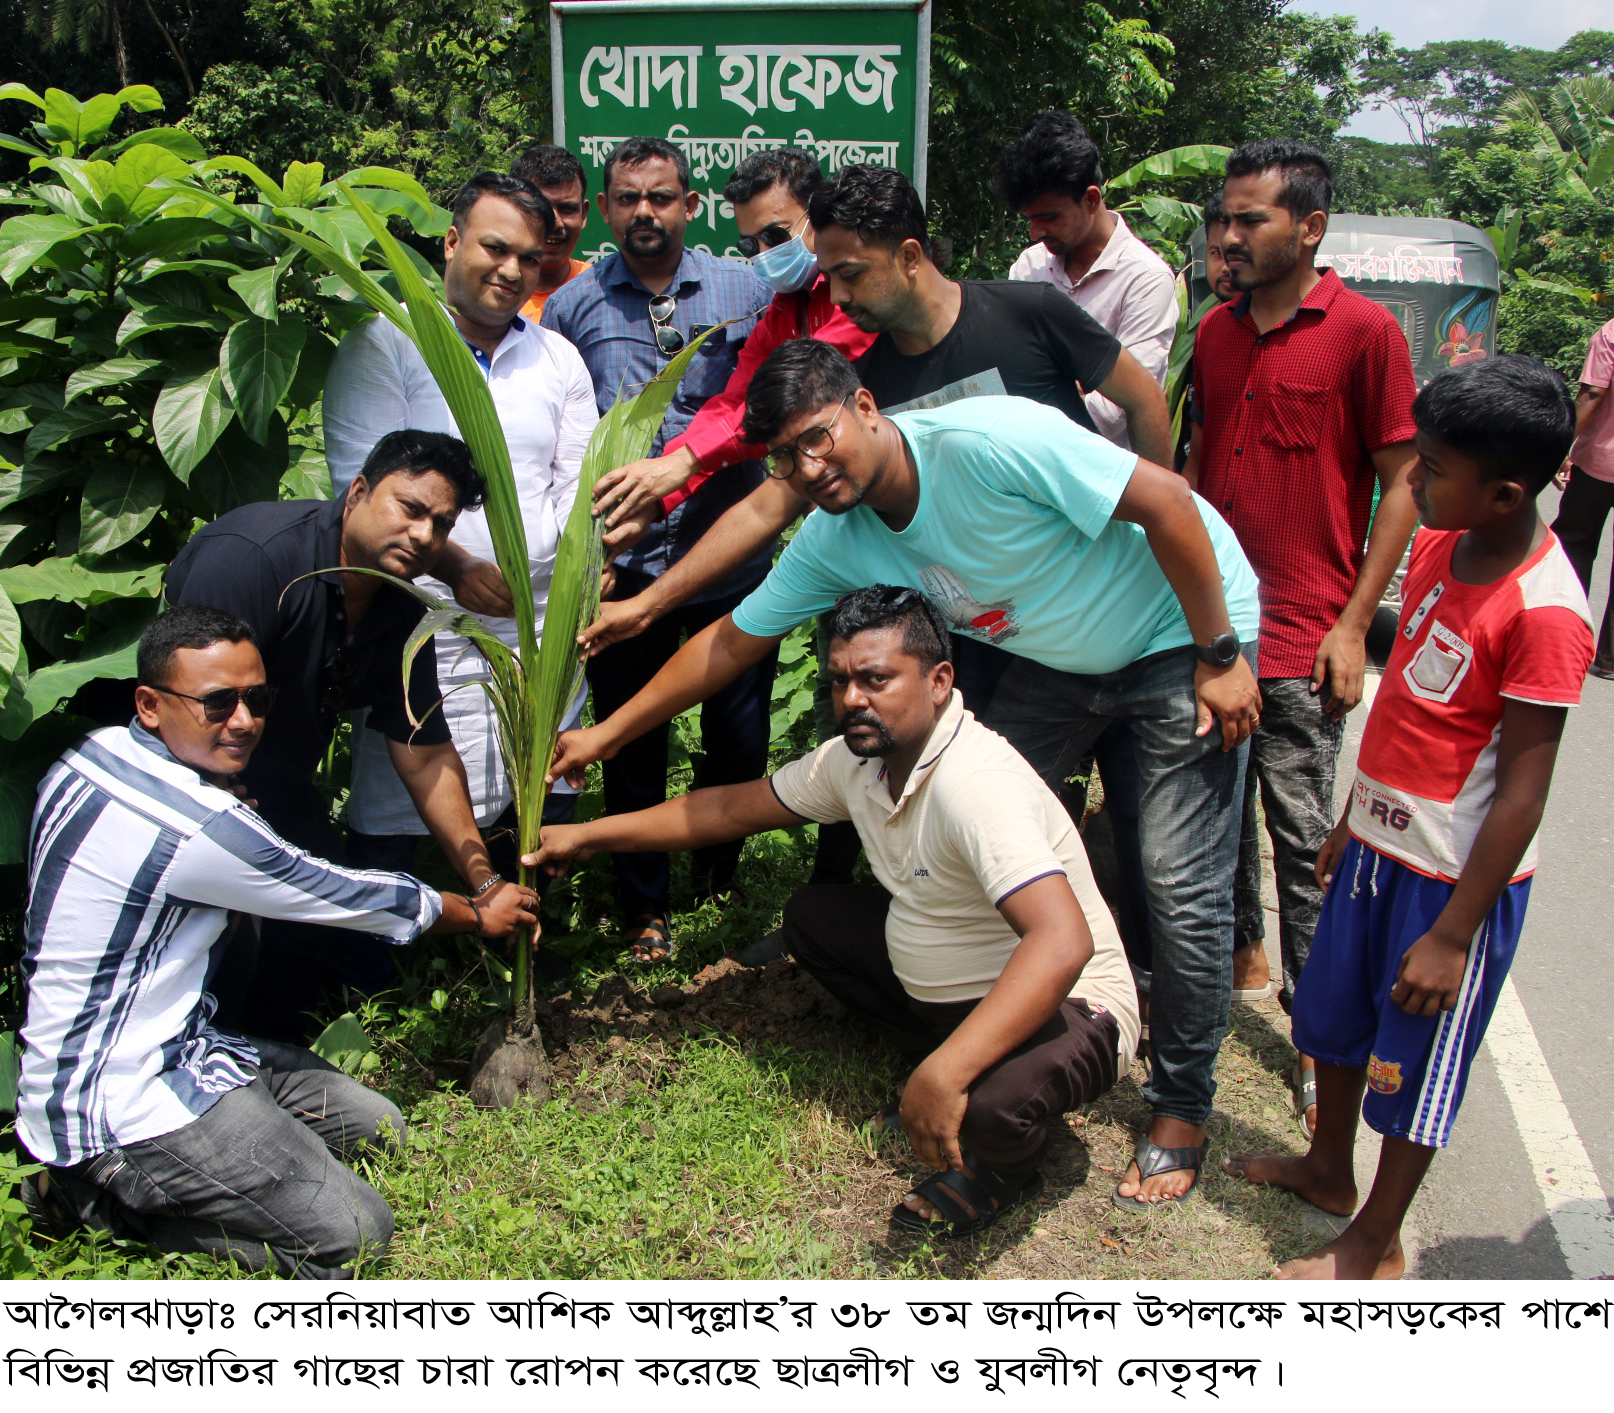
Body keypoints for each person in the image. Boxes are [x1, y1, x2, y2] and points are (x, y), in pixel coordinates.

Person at [549, 339, 1264, 1207]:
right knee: (975, 840)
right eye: (784, 456)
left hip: (1178, 621)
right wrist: (608, 736)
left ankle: (1179, 1105)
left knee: (1177, 878)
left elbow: (1166, 500)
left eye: (819, 437)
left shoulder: (986, 440)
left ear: (866, 406)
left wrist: (1220, 653)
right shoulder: (833, 539)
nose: (809, 467)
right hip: (1064, 653)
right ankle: (984, 1019)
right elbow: (734, 641)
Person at [530, 587, 1139, 1235]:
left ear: (939, 681)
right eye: (840, 680)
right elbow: (728, 809)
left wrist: (943, 1073)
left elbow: (1061, 941)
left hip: (1077, 1004)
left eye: (877, 678)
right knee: (815, 917)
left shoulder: (975, 784)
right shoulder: (858, 759)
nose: (853, 698)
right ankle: (957, 1055)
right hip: (973, 977)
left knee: (991, 1106)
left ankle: (1000, 1167)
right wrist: (587, 836)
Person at [16, 605, 536, 1278]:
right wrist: (476, 909)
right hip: (120, 1101)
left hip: (177, 1045)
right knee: (357, 1231)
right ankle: (98, 1203)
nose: (243, 721)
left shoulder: (92, 754)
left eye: (257, 699)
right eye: (216, 703)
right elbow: (341, 897)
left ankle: (228, 1156)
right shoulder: (201, 824)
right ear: (149, 703)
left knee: (378, 1126)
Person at [1223, 356, 1595, 1279]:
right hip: (1378, 851)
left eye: (1431, 467)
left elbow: (1522, 789)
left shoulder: (1547, 612)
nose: (1413, 480)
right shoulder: (1437, 546)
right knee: (1336, 1023)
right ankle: (1326, 1169)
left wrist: (1456, 934)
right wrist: (1354, 817)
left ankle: (1375, 1243)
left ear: (1506, 492)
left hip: (1449, 886)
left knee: (1413, 1072)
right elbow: (1402, 718)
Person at [578, 164, 1171, 668]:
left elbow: (1143, 399)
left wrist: (1162, 538)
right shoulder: (862, 380)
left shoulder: (1028, 313)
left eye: (850, 275)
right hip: (991, 633)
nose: (835, 295)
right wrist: (650, 601)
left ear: (908, 256)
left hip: (1117, 605)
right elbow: (768, 499)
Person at [1184, 140, 1420, 1136]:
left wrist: (1357, 623)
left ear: (1309, 228)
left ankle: (1316, 1041)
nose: (1227, 238)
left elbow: (1403, 480)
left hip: (1304, 632)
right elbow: (1195, 467)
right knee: (1209, 819)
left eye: (1251, 221)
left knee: (1301, 838)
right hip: (1215, 631)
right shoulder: (1216, 335)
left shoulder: (1365, 333)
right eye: (1223, 221)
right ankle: (1237, 973)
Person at [164, 429, 518, 1040]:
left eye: (441, 523)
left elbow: (425, 751)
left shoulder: (401, 604)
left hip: (276, 786)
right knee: (206, 957)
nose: (423, 536)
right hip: (185, 793)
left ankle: (274, 1064)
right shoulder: (254, 561)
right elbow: (188, 705)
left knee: (299, 949)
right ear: (357, 493)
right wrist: (223, 808)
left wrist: (483, 881)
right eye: (409, 509)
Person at [323, 169, 598, 934]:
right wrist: (460, 568)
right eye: (494, 248)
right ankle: (380, 959)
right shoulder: (388, 343)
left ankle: (524, 939)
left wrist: (584, 571)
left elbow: (580, 484)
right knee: (403, 781)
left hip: (539, 621)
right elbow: (361, 485)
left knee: (534, 775)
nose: (512, 271)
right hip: (423, 617)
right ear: (451, 242)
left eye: (531, 259)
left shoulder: (557, 360)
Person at [540, 136, 778, 963]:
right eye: (629, 198)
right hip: (623, 568)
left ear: (690, 205)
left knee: (740, 737)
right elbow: (565, 439)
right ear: (605, 211)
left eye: (663, 197)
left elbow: (767, 405)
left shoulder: (744, 289)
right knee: (632, 739)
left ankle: (717, 870)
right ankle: (644, 906)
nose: (647, 212)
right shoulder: (573, 308)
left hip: (728, 561)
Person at [1000, 110, 1179, 451]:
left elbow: (1117, 408)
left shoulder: (1146, 279)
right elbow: (1010, 370)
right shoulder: (1030, 266)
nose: (1036, 232)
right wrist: (1079, 387)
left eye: (1049, 217)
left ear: (1091, 199)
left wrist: (1034, 397)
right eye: (1030, 219)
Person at [1549, 313, 1614, 678]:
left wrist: (1562, 444)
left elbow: (1592, 393)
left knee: (1574, 546)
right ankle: (1610, 659)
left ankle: (1563, 641)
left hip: (1600, 464)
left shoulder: (1611, 333)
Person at [511, 144, 593, 320]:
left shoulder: (601, 292)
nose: (555, 222)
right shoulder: (491, 293)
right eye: (541, 209)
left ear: (583, 213)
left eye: (567, 209)